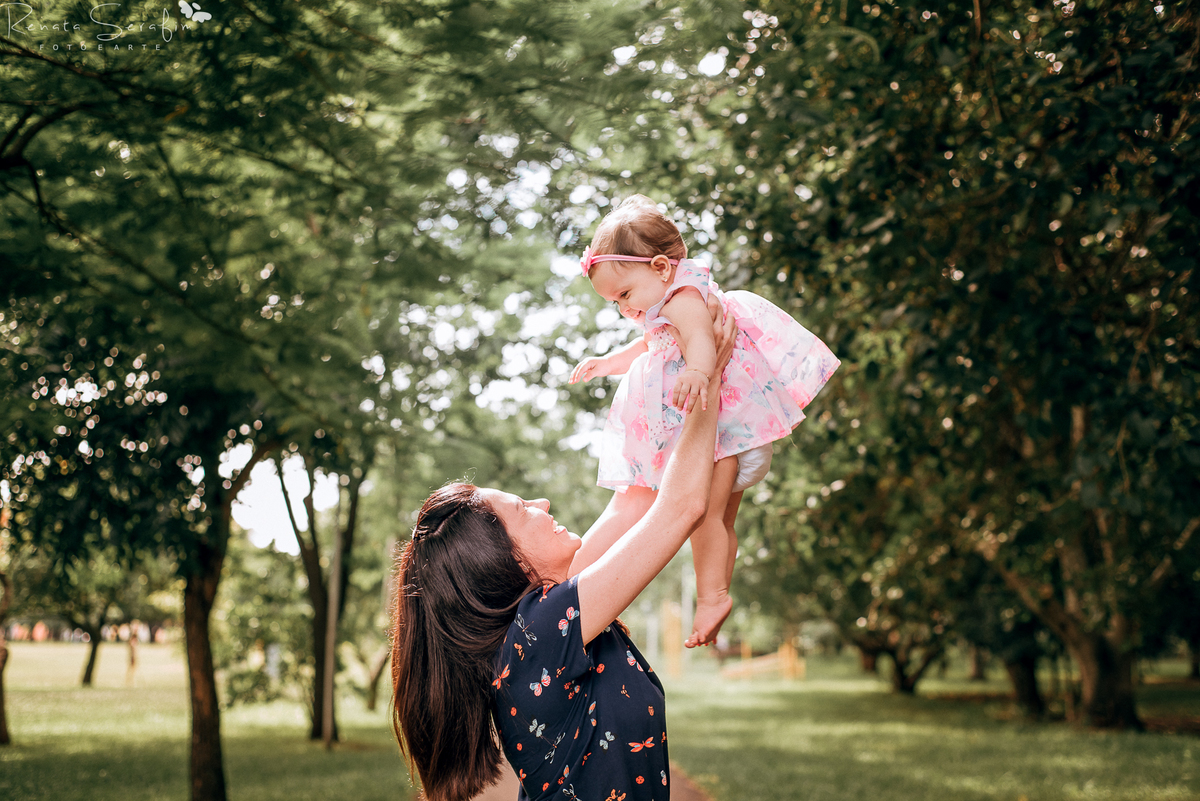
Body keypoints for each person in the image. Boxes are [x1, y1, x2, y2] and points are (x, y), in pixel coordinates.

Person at [391, 312, 736, 801]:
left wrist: (670, 365)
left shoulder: (548, 610)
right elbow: (680, 508)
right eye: (522, 509)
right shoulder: (540, 630)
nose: (543, 504)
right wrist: (710, 381)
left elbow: (633, 500)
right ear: (503, 559)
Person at [569, 194, 840, 648]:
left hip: (721, 431)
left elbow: (698, 338)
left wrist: (698, 370)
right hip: (730, 434)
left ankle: (713, 595)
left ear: (659, 267)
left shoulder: (684, 299)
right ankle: (717, 590)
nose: (624, 309)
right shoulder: (668, 305)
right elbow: (650, 345)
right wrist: (606, 362)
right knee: (721, 519)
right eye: (615, 302)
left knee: (707, 518)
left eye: (624, 294)